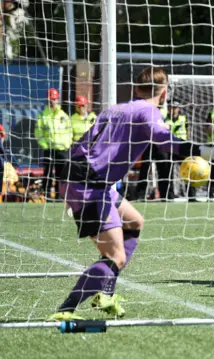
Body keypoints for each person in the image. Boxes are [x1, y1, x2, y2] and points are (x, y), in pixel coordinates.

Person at [48, 67, 204, 321]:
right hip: (88, 182)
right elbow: (164, 139)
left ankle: (105, 294)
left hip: (83, 175)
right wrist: (205, 151)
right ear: (163, 93)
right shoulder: (148, 111)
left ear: (136, 88)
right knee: (116, 256)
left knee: (134, 221)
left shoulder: (117, 107)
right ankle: (65, 309)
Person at [35, 88, 71, 200]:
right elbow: (38, 132)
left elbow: (69, 132)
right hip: (49, 149)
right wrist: (45, 145)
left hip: (62, 150)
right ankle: (47, 196)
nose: (52, 101)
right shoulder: (43, 115)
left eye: (54, 99)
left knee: (62, 174)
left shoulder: (63, 115)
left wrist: (66, 145)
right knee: (48, 174)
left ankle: (61, 196)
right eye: (51, 99)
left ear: (58, 99)